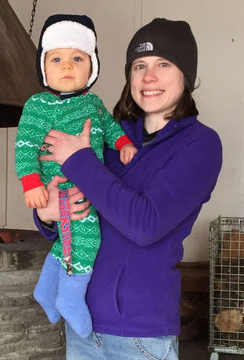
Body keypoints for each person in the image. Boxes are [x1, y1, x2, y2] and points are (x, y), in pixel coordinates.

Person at [34, 18, 222, 359]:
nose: (149, 77)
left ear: (187, 76)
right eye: (140, 66)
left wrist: (79, 159)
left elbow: (145, 225)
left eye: (163, 64)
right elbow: (75, 201)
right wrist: (46, 214)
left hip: (141, 336)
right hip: (83, 325)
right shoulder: (107, 134)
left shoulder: (200, 145)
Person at [15, 14, 137, 338]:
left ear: (91, 67)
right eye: (57, 59)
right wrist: (31, 183)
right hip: (63, 188)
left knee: (69, 242)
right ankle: (69, 298)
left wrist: (123, 143)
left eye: (77, 58)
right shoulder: (37, 105)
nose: (67, 66)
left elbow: (111, 128)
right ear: (44, 67)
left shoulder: (95, 103)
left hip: (89, 185)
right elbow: (25, 144)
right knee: (88, 239)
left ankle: (46, 290)